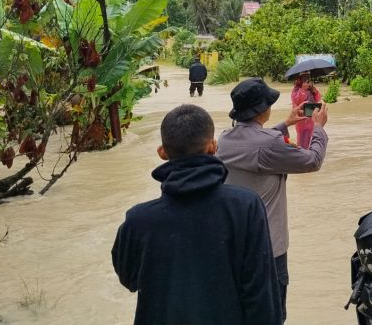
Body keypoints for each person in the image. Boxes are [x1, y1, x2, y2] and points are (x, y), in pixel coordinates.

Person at [112, 104, 282, 325]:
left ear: (162, 153)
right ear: (213, 147)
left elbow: (129, 279)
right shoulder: (246, 206)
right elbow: (262, 296)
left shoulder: (138, 220)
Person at [216, 78, 329, 322]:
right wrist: (319, 128)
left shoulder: (224, 139)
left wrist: (286, 123)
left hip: (234, 246)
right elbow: (312, 161)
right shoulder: (268, 144)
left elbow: (256, 146)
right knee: (273, 316)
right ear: (262, 110)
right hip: (268, 250)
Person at [290, 72, 322, 149]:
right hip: (301, 120)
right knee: (301, 140)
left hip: (311, 118)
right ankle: (302, 153)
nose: (307, 79)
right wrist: (303, 89)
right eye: (304, 77)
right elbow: (296, 101)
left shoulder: (311, 89)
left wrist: (315, 92)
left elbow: (317, 99)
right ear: (300, 79)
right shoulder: (296, 89)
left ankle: (308, 153)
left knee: (311, 140)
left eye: (308, 77)